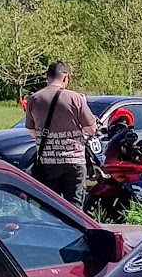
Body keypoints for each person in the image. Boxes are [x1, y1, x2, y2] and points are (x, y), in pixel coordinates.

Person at [24, 60, 98, 207]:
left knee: (52, 208)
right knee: (75, 207)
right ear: (65, 78)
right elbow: (91, 129)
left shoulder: (34, 99)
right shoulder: (75, 98)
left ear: (48, 78)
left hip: (48, 163)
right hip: (74, 162)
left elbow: (32, 133)